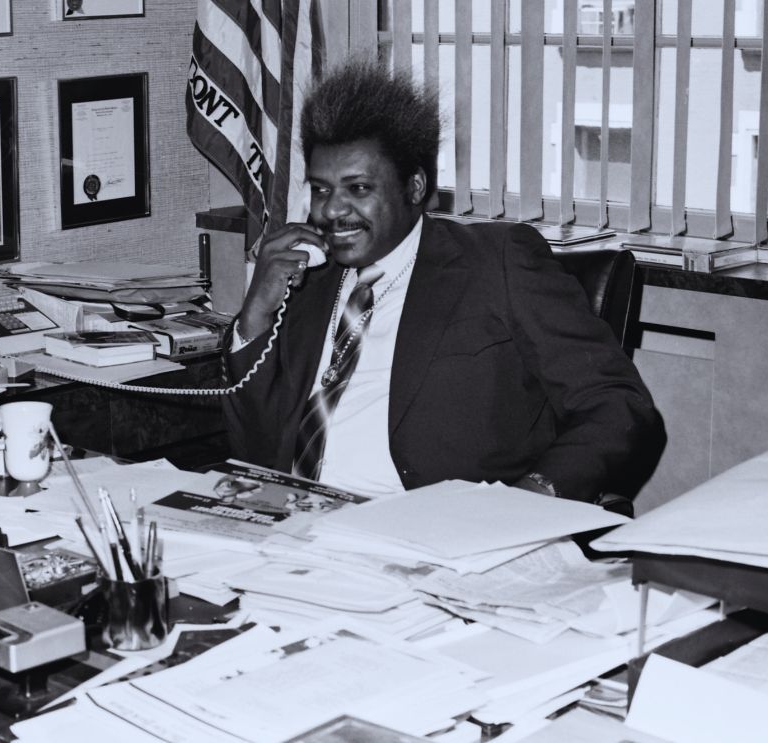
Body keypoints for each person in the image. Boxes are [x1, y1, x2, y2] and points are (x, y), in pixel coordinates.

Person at [222, 59, 665, 505]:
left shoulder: (498, 262)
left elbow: (617, 405)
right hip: (292, 521)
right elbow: (254, 449)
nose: (331, 211)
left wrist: (533, 497)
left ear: (414, 187)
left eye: (358, 189)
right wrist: (254, 316)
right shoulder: (309, 277)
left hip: (422, 528)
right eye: (320, 189)